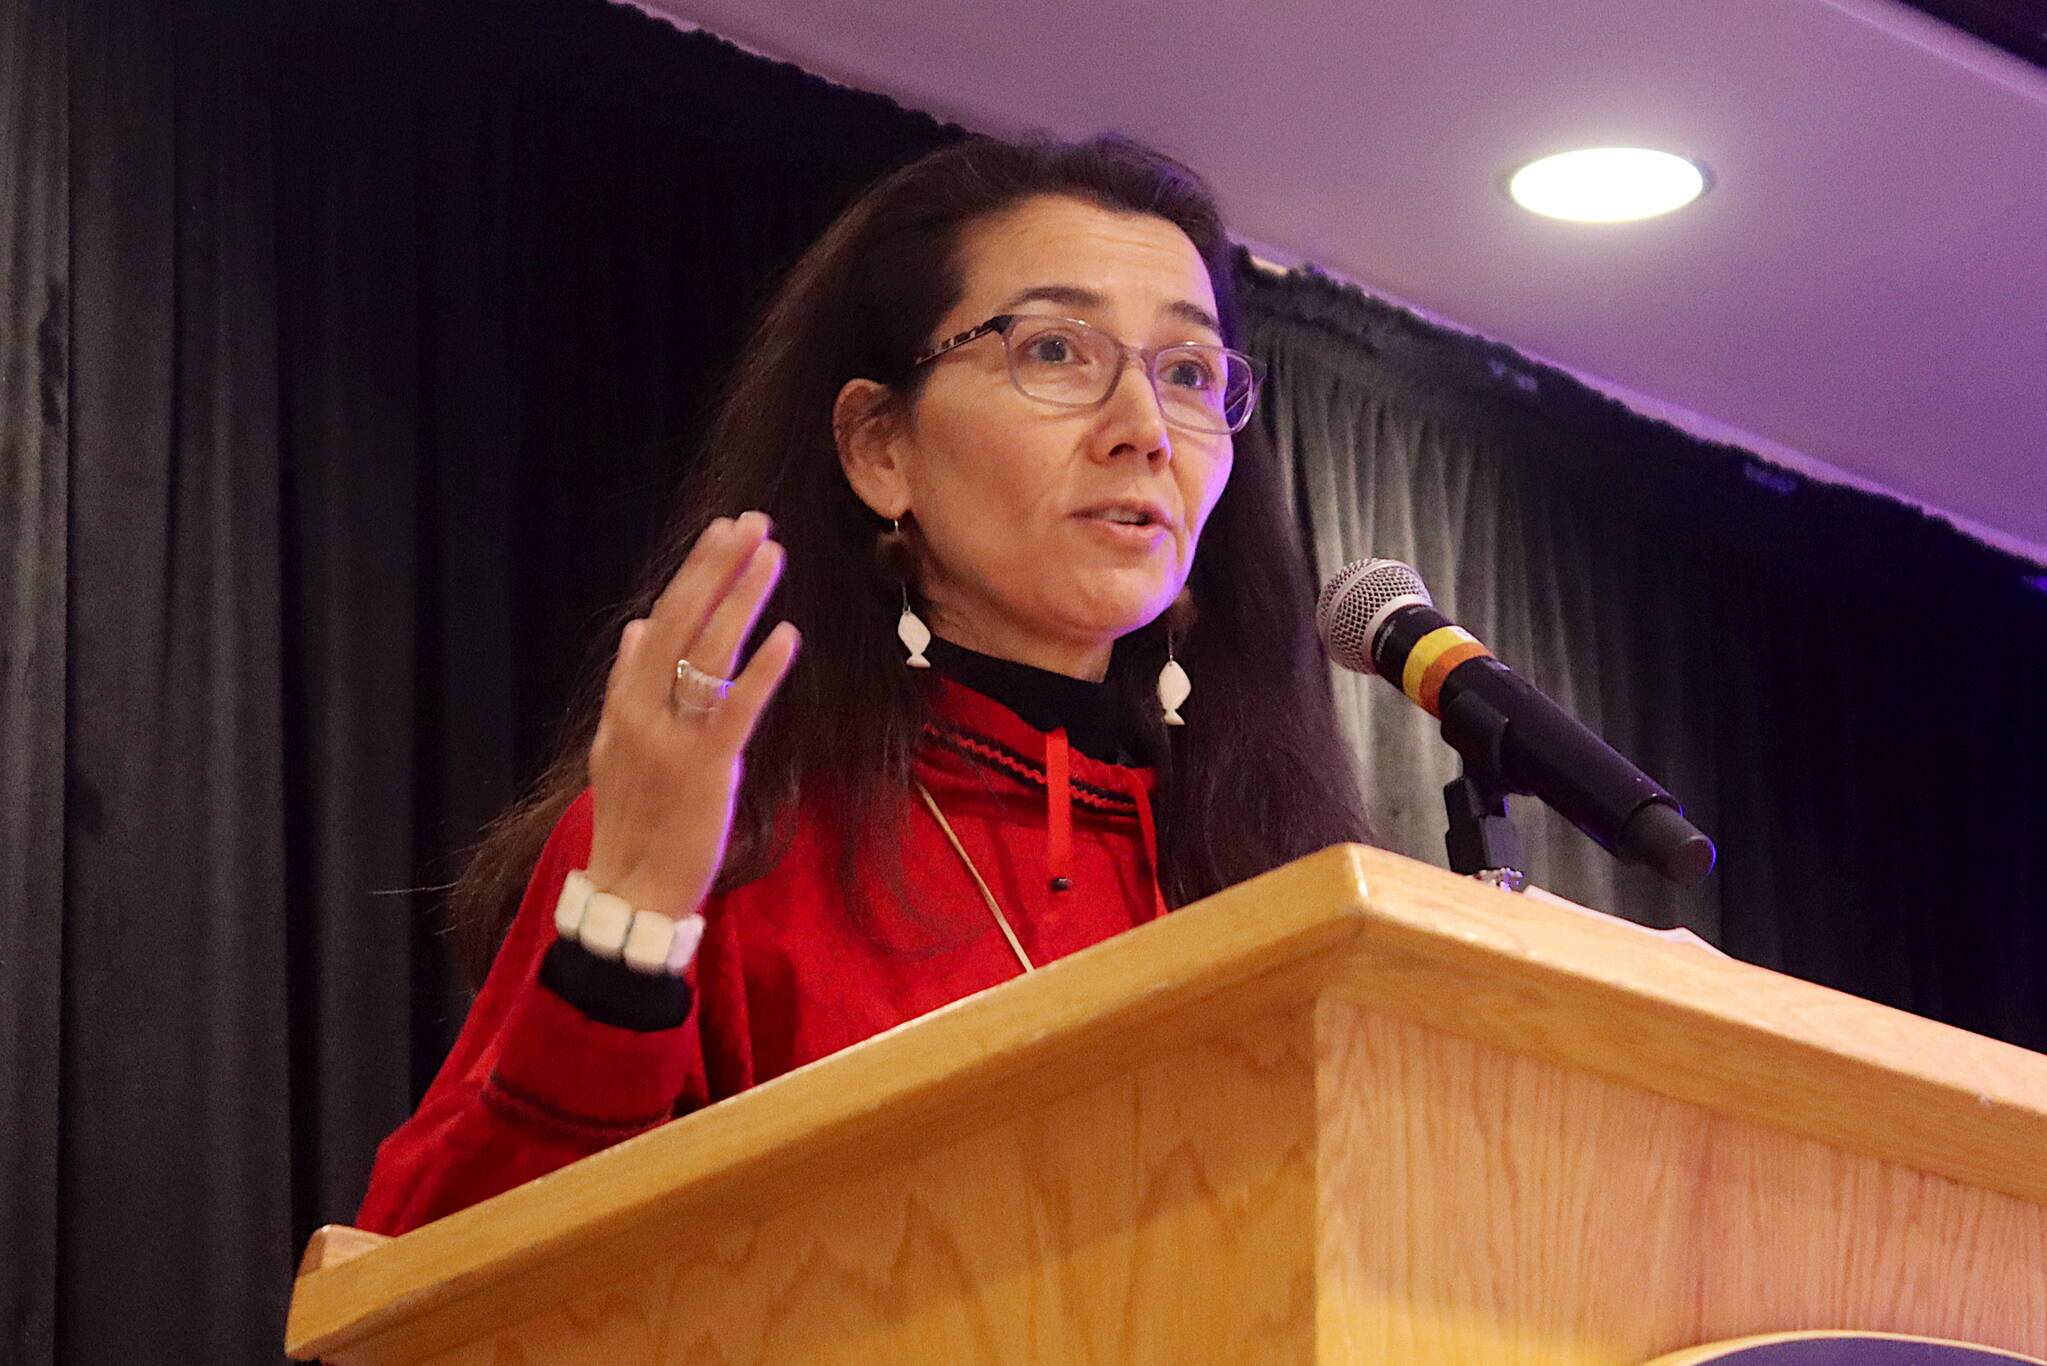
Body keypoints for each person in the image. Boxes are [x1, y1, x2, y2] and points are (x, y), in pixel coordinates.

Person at [357, 135, 1369, 1236]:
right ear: (879, 446)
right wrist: (631, 926)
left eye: (1185, 373)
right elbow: (438, 1302)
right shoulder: (719, 848)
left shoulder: (1278, 873)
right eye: (1057, 352)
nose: (1143, 432)